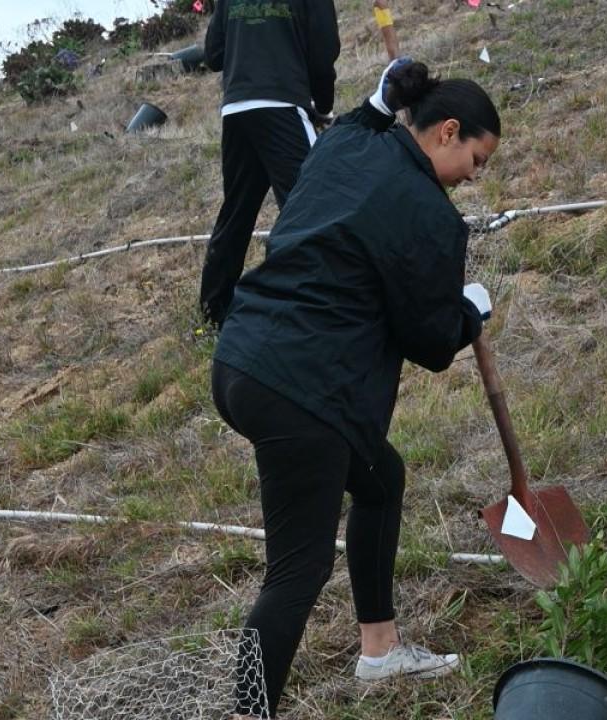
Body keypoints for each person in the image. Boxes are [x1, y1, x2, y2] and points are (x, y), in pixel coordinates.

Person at [211, 59, 501, 718]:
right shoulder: (431, 214)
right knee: (297, 570)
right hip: (302, 390)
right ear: (447, 131)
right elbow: (429, 341)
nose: (473, 178)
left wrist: (377, 99)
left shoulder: (347, 144)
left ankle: (379, 649)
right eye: (476, 160)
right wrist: (469, 312)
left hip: (242, 360)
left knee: (380, 479)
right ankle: (249, 714)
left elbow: (358, 124)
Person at [199, 0, 341, 327]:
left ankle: (212, 313)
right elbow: (323, 49)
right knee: (314, 206)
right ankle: (326, 301)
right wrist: (323, 103)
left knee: (237, 211)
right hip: (282, 102)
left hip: (236, 108)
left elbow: (213, 53)